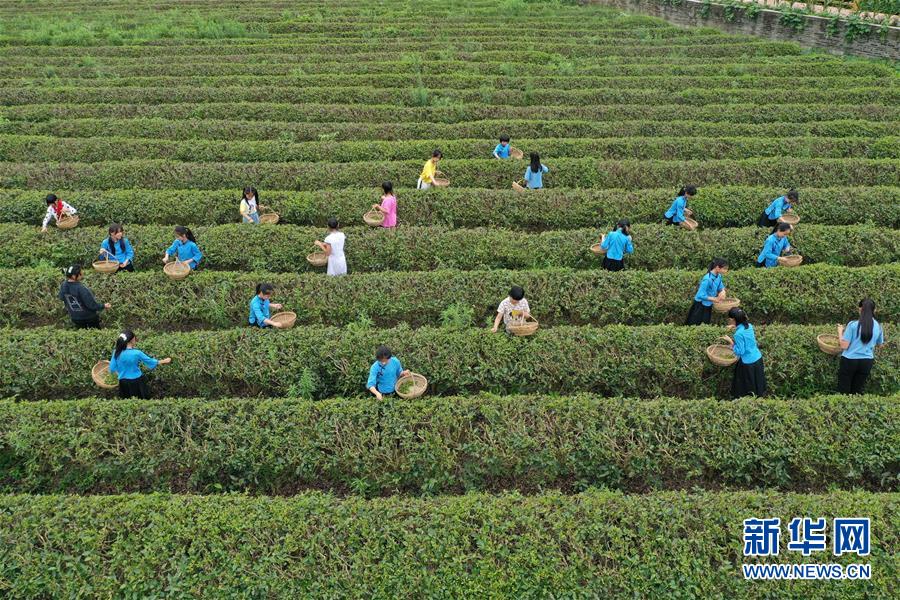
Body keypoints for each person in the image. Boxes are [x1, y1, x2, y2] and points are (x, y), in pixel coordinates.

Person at [837, 298, 885, 394]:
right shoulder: (878, 326)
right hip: (867, 362)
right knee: (857, 391)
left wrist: (840, 332)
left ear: (859, 309)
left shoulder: (853, 325)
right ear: (874, 310)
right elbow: (880, 345)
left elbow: (844, 346)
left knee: (843, 390)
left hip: (849, 361)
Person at [108, 330, 172, 399]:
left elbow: (112, 368)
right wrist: (164, 361)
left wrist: (120, 374)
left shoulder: (116, 352)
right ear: (132, 340)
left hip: (123, 382)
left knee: (126, 401)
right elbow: (150, 361)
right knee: (140, 399)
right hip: (137, 381)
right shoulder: (137, 353)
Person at [726, 307, 766, 399]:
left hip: (748, 363)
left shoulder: (738, 334)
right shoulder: (749, 326)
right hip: (757, 358)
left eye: (730, 319)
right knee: (757, 382)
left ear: (733, 319)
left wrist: (731, 342)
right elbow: (743, 329)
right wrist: (734, 326)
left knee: (745, 387)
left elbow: (740, 351)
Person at [58, 264, 110, 329]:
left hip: (75, 317)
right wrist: (103, 306)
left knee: (82, 333)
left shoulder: (64, 285)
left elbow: (61, 297)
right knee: (95, 332)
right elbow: (91, 305)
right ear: (74, 276)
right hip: (89, 317)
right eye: (80, 273)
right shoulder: (81, 288)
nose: (82, 275)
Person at [685, 258, 728, 325]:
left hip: (708, 304)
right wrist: (714, 299)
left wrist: (723, 291)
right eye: (724, 269)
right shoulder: (707, 279)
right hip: (700, 306)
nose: (726, 271)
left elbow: (720, 287)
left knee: (705, 324)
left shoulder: (719, 276)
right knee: (695, 324)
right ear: (717, 268)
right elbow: (700, 295)